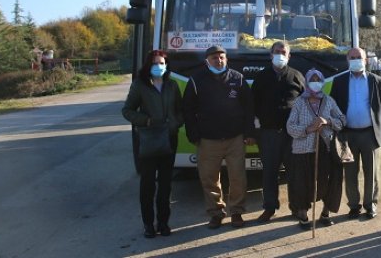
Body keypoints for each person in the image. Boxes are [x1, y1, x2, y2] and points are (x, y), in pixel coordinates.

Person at [183, 45, 256, 229]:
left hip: (235, 138)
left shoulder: (237, 78)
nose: (219, 60)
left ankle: (237, 212)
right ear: (207, 60)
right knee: (209, 178)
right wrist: (194, 134)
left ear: (227, 59)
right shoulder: (196, 80)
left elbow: (249, 108)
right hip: (208, 139)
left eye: (222, 57)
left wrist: (249, 133)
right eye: (214, 58)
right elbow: (188, 110)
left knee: (238, 177)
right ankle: (216, 213)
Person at [121, 50, 184, 238]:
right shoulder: (140, 85)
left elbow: (180, 111)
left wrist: (175, 123)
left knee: (165, 185)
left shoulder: (172, 85)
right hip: (149, 140)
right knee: (148, 185)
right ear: (149, 65)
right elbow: (127, 110)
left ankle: (163, 223)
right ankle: (148, 224)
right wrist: (146, 121)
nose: (159, 66)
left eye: (162, 63)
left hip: (169, 139)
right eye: (155, 63)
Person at [252, 41, 306, 222]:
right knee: (269, 173)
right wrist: (255, 130)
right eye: (277, 51)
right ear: (271, 54)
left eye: (284, 52)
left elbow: (306, 103)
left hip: (293, 135)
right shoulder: (261, 77)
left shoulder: (297, 76)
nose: (280, 55)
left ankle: (297, 207)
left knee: (295, 173)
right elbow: (253, 104)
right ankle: (269, 207)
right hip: (268, 133)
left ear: (289, 56)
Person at [286, 69, 347, 229]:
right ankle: (303, 214)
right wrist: (308, 129)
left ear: (322, 82)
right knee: (302, 182)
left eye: (318, 79)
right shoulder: (299, 102)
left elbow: (342, 120)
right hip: (303, 150)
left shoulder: (329, 101)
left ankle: (325, 213)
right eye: (311, 79)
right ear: (306, 82)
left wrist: (327, 121)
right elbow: (290, 127)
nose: (315, 82)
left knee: (330, 181)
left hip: (326, 148)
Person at [330, 47, 381, 219]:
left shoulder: (376, 80)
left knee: (372, 172)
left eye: (359, 57)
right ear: (347, 60)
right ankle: (354, 205)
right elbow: (333, 107)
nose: (356, 60)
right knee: (350, 172)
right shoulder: (338, 81)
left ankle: (370, 205)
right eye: (352, 57)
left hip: (370, 134)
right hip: (347, 134)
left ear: (365, 60)